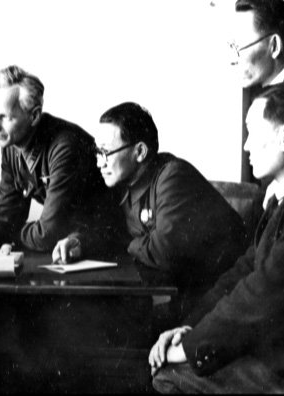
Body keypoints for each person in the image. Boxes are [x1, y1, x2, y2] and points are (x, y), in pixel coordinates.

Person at [150, 85, 284, 394]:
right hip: (274, 351)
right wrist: (189, 328)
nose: (246, 145)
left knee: (168, 376)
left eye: (253, 132)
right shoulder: (280, 199)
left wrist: (188, 347)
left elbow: (260, 292)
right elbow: (243, 271)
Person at [74, 102, 247, 319]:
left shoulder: (173, 176)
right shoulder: (124, 180)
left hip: (223, 299)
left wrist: (126, 241)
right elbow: (108, 228)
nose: (100, 163)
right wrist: (80, 240)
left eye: (106, 152)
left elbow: (164, 252)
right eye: (97, 152)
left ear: (139, 152)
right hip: (184, 294)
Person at [0, 65, 122, 257]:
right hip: (69, 244)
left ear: (34, 115)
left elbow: (47, 234)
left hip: (105, 242)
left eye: (4, 117)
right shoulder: (11, 144)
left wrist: (8, 234)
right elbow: (7, 212)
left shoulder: (65, 146)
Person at [231, 0, 284, 182]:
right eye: (232, 46)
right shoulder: (253, 92)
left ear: (274, 46)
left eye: (239, 48)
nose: (232, 60)